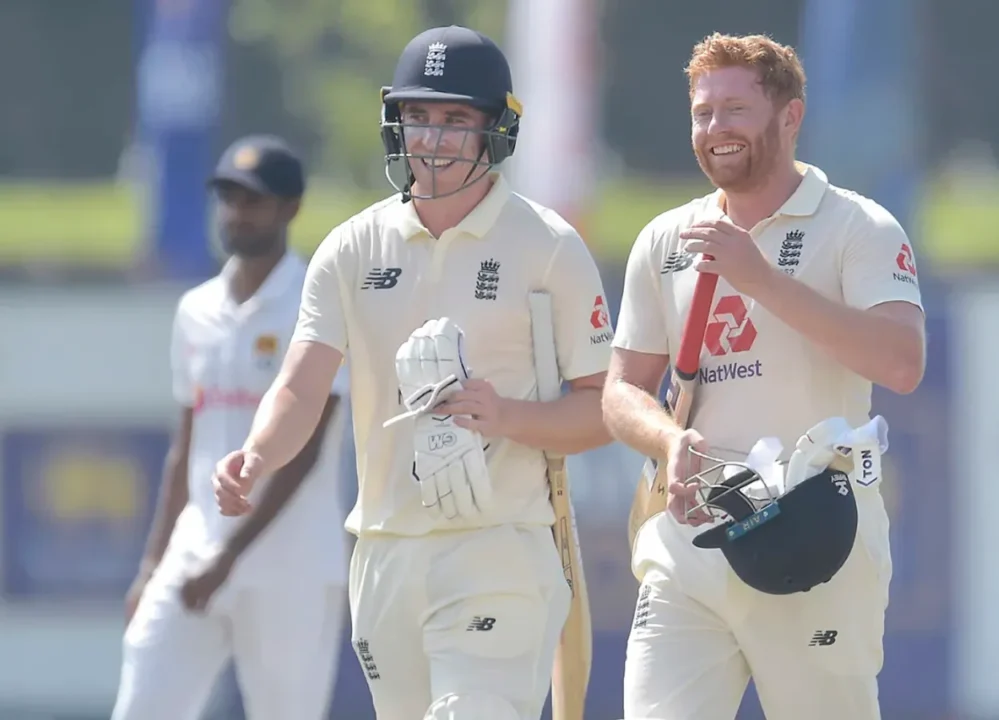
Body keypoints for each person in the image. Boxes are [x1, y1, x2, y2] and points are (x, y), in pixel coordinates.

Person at [211, 25, 613, 720]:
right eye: (417, 117)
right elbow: (302, 386)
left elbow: (603, 406)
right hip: (386, 549)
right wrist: (257, 454)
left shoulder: (547, 248)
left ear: (497, 129)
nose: (431, 139)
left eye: (455, 120)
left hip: (502, 544)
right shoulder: (351, 248)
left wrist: (507, 416)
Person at [602, 32, 926, 720]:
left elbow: (902, 361)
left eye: (735, 110)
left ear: (790, 116)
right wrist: (666, 442)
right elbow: (622, 392)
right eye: (702, 112)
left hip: (817, 535)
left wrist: (762, 280)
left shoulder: (858, 226)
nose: (715, 129)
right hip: (689, 540)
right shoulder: (665, 240)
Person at [112, 135, 351, 720]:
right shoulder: (196, 308)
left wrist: (231, 558)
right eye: (228, 198)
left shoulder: (316, 303)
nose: (237, 213)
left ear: (290, 208)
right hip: (193, 553)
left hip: (289, 565)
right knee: (141, 706)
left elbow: (306, 450)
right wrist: (153, 565)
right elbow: (185, 445)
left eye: (254, 200)